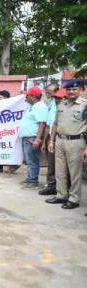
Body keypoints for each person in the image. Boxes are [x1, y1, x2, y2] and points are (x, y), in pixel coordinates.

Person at [47, 79, 87, 209]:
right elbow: (55, 124)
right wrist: (52, 141)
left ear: (81, 90)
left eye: (74, 89)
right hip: (59, 141)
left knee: (75, 172)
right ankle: (61, 195)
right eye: (69, 89)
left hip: (76, 142)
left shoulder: (84, 106)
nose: (71, 92)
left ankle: (74, 199)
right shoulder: (61, 105)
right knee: (60, 171)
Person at [18, 87, 48, 188]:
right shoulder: (33, 106)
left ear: (33, 96)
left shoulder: (40, 106)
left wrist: (38, 139)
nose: (26, 97)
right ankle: (30, 177)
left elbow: (42, 123)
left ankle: (33, 181)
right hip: (27, 137)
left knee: (32, 160)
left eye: (28, 95)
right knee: (29, 160)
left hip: (32, 137)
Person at [38, 84, 59, 195]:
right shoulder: (51, 103)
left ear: (56, 91)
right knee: (50, 163)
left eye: (49, 92)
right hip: (49, 136)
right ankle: (51, 185)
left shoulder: (61, 104)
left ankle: (55, 186)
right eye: (46, 92)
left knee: (55, 164)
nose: (47, 94)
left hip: (57, 137)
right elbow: (48, 124)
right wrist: (44, 141)